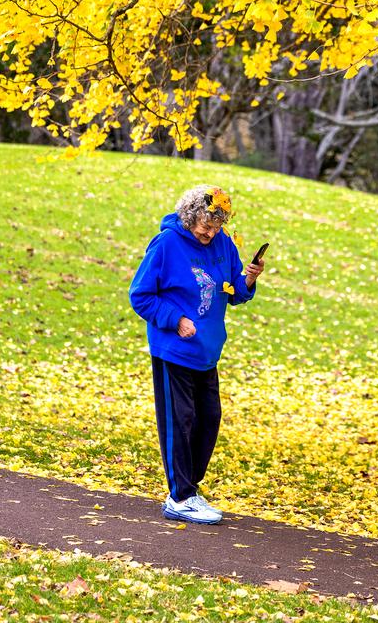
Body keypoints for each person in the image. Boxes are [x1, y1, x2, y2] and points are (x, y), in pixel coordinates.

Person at [129, 185, 263, 525]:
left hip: (207, 350)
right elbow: (140, 295)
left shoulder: (223, 244)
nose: (210, 232)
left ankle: (190, 489)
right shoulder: (166, 245)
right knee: (181, 420)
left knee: (208, 419)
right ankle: (180, 496)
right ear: (190, 218)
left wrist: (248, 279)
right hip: (174, 348)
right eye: (206, 225)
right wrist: (176, 320)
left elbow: (234, 292)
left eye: (217, 226)